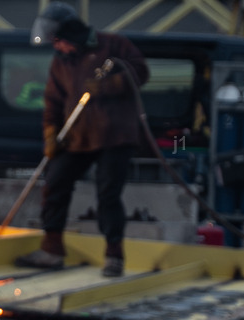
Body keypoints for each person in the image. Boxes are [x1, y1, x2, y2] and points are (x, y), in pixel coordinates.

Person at [15, 2, 149, 277]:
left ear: (71, 34)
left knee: (107, 194)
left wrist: (111, 85)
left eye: (59, 41)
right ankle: (51, 250)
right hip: (77, 136)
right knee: (55, 183)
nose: (57, 47)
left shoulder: (114, 46)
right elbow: (52, 101)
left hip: (115, 136)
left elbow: (142, 72)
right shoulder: (61, 62)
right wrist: (51, 134)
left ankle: (114, 256)